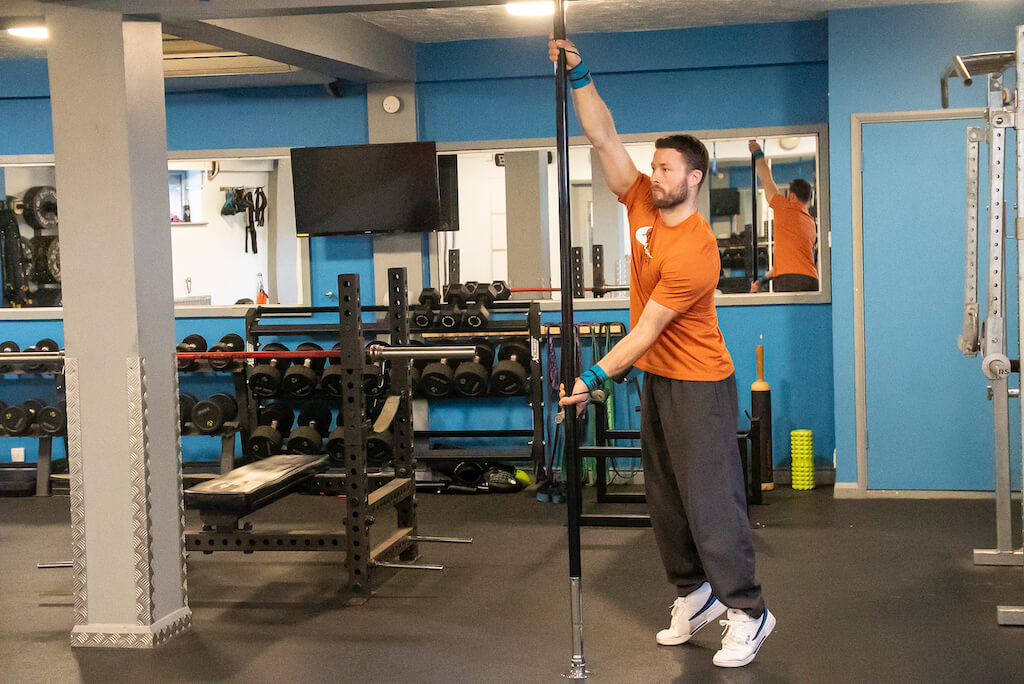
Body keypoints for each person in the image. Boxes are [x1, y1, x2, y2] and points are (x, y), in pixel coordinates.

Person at [550, 38, 774, 668]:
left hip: (700, 383)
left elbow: (645, 332)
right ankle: (694, 592)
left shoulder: (697, 252)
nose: (656, 174)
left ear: (695, 177)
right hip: (658, 379)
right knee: (666, 497)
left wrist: (594, 374)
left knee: (710, 500)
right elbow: (603, 139)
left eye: (668, 168)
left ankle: (749, 611)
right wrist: (579, 76)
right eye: (655, 166)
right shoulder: (642, 200)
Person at [748, 140, 819, 293]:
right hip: (811, 279)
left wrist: (758, 154)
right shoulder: (811, 223)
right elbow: (788, 263)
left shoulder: (785, 208)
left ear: (792, 196)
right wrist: (762, 280)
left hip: (790, 280)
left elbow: (766, 180)